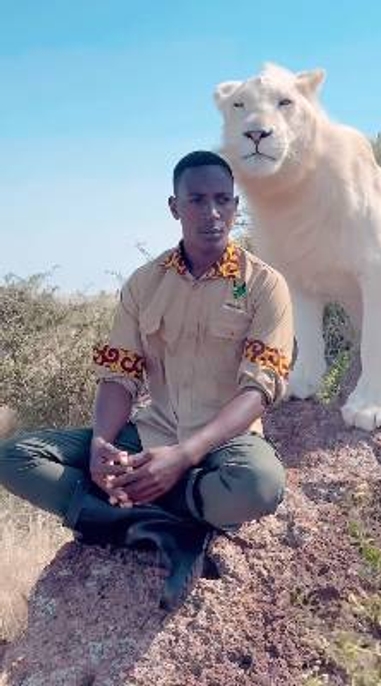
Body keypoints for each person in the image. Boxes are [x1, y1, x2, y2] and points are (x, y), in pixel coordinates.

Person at [0, 150, 294, 610]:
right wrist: (102, 443)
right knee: (14, 457)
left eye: (223, 200)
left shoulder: (264, 285)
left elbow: (259, 389)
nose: (212, 213)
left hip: (223, 444)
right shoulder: (144, 283)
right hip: (151, 433)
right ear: (175, 207)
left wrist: (182, 457)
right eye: (197, 200)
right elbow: (120, 375)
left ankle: (123, 507)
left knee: (260, 486)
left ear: (237, 206)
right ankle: (166, 528)